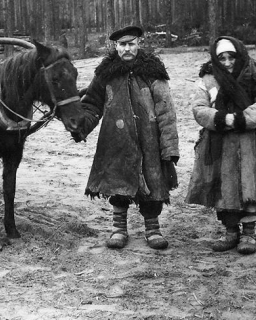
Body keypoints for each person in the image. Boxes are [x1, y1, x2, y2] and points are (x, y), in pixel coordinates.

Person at [74, 25, 180, 250]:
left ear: (139, 44)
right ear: (115, 46)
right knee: (117, 183)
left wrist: (169, 147)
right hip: (115, 140)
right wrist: (81, 127)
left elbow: (166, 110)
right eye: (122, 45)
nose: (127, 48)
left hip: (148, 141)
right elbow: (92, 104)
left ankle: (153, 229)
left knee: (152, 183)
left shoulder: (153, 72)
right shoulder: (105, 73)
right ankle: (119, 228)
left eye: (131, 44)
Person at [186, 36, 256, 255]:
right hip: (219, 141)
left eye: (231, 57)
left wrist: (241, 119)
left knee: (250, 184)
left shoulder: (255, 74)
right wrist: (222, 119)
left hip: (251, 141)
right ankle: (230, 232)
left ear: (239, 54)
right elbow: (198, 107)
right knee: (225, 186)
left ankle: (249, 233)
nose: (226, 62)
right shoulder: (208, 78)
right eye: (221, 58)